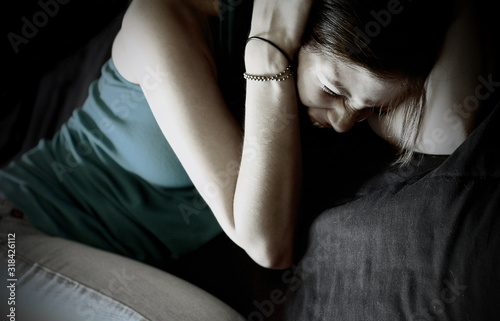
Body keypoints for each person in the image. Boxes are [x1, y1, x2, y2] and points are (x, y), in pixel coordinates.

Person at [0, 0, 494, 269]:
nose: (345, 122)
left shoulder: (344, 80)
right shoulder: (163, 21)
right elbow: (264, 244)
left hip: (99, 266)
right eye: (335, 91)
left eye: (372, 109)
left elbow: (449, 132)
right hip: (23, 229)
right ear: (302, 31)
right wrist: (266, 54)